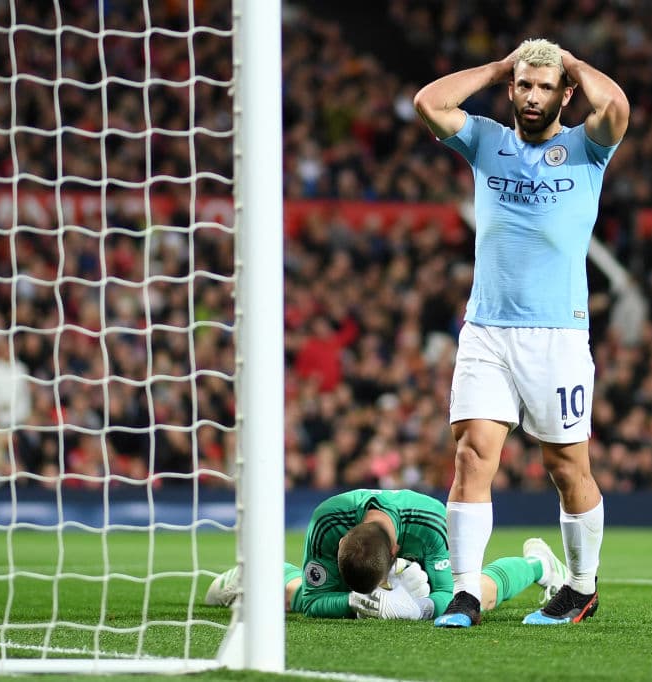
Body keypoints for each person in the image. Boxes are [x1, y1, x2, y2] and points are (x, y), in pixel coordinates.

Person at [412, 38, 629, 627]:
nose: (533, 97)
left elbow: (617, 108)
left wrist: (574, 65)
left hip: (557, 335)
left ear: (565, 94)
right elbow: (429, 102)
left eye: (544, 87)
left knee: (566, 467)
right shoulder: (487, 140)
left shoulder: (586, 149)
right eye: (524, 86)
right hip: (486, 329)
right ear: (512, 90)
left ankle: (582, 586)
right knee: (472, 454)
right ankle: (463, 590)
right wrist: (497, 67)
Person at [203, 488, 569, 620]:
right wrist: (353, 601)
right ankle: (250, 574)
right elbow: (314, 598)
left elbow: (450, 597)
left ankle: (538, 563)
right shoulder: (328, 521)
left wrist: (418, 608)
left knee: (477, 598)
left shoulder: (430, 522)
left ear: (396, 553)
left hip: (424, 558)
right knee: (292, 598)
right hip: (363, 564)